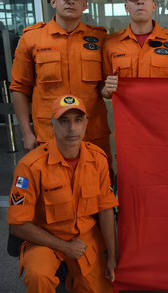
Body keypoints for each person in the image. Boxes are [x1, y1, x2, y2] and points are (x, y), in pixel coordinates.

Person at [7, 94, 118, 293]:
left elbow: (106, 208)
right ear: (52, 126)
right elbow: (17, 225)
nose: (72, 128)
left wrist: (112, 255)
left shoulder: (98, 159)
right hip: (44, 239)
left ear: (86, 123)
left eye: (77, 120)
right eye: (64, 121)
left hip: (86, 238)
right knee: (38, 278)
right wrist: (65, 247)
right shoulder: (30, 166)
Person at [9, 0, 115, 185]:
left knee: (99, 189)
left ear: (84, 5)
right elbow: (19, 88)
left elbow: (105, 83)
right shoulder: (32, 38)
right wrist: (26, 132)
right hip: (49, 134)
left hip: (92, 133)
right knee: (53, 191)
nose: (70, 1)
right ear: (53, 1)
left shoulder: (101, 38)